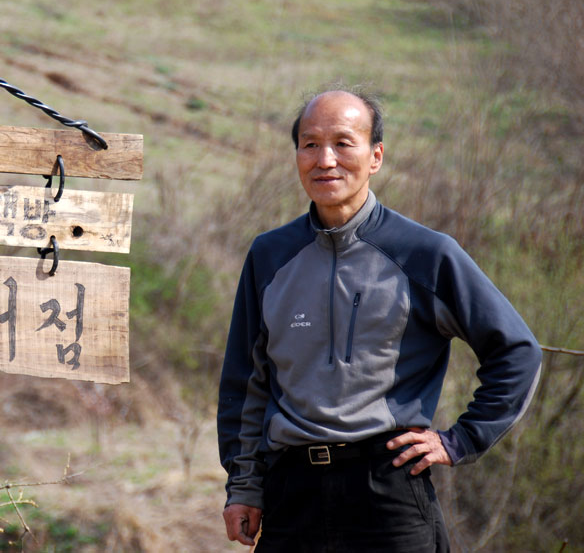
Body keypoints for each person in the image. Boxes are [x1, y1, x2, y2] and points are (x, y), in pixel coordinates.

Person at [216, 88, 542, 551]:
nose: (325, 159)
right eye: (310, 144)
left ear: (375, 156)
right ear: (296, 156)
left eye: (343, 143)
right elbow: (245, 384)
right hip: (291, 496)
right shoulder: (269, 255)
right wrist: (244, 486)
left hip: (388, 494)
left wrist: (460, 440)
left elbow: (516, 351)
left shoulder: (427, 254)